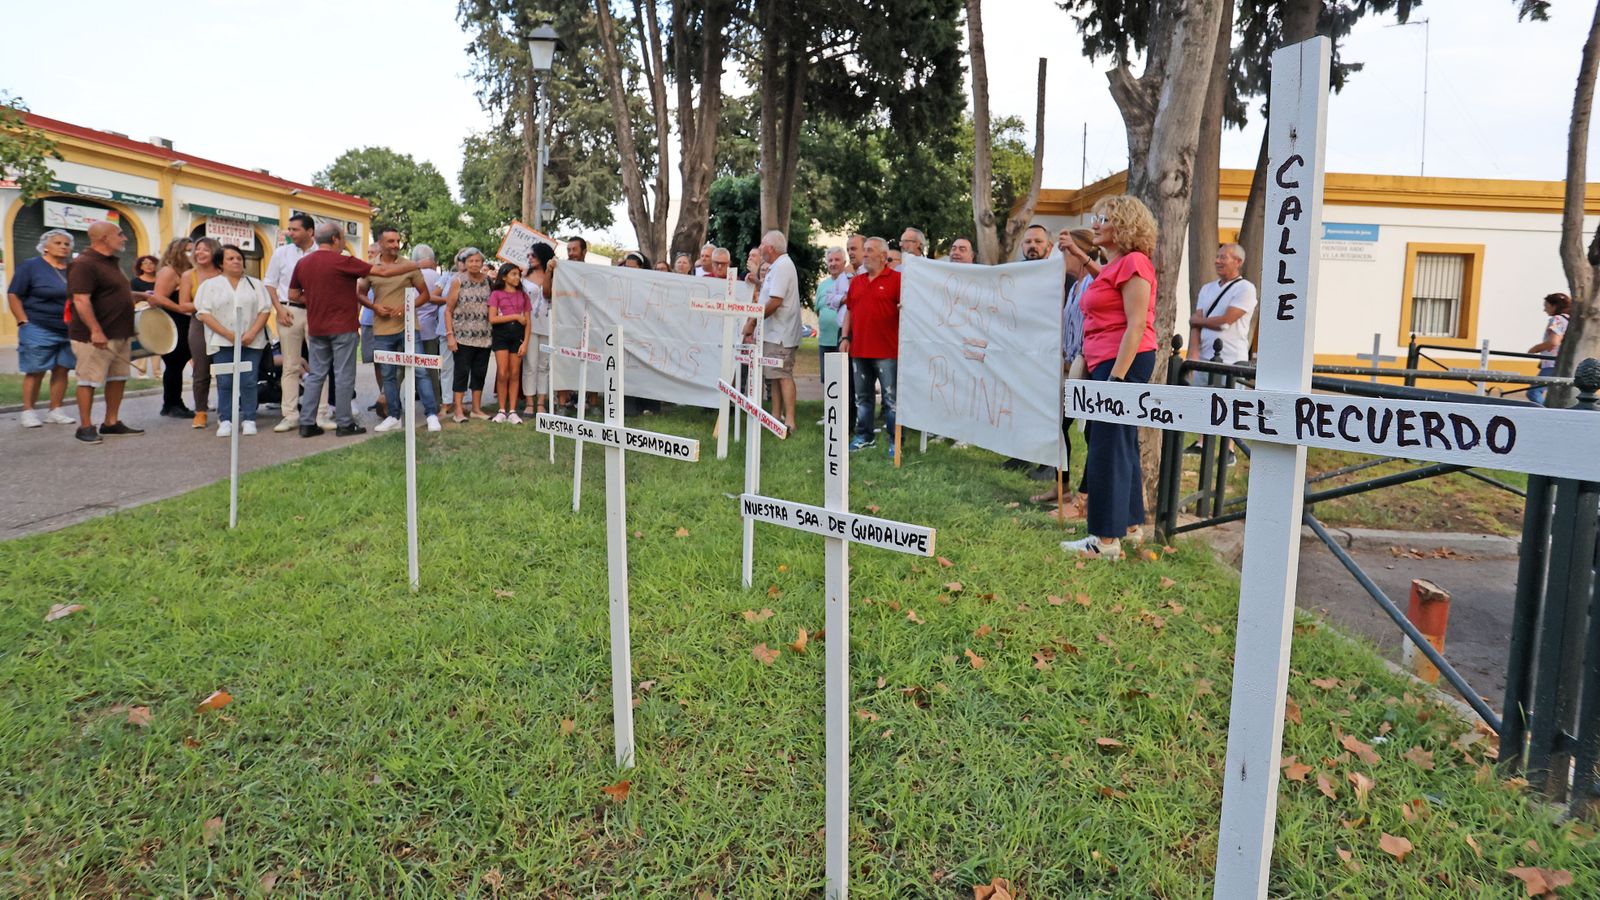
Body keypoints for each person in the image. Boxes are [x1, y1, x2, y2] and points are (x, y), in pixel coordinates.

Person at [1061, 195, 1160, 561]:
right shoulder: (1116, 265)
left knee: (1105, 446)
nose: (1095, 223)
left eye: (1104, 218)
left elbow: (1136, 326)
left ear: (1124, 226)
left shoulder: (1134, 262)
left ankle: (1103, 540)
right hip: (1110, 362)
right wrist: (1082, 255)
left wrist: (1115, 382)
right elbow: (1103, 283)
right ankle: (1131, 526)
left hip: (1122, 364)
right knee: (1121, 444)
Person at [290, 222, 420, 437]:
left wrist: (315, 300)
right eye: (342, 238)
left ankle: (306, 423)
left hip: (316, 327)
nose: (344, 242)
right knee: (343, 376)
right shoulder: (344, 261)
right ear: (334, 239)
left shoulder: (303, 263)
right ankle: (344, 423)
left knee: (315, 375)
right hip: (343, 327)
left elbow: (293, 295)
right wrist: (417, 264)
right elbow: (383, 271)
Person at [1035, 228, 1104, 515]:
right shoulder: (1075, 286)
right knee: (1058, 426)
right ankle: (1061, 486)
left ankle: (1085, 499)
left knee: (1090, 433)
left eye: (1065, 252)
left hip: (1087, 364)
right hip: (1068, 363)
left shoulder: (1092, 281)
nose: (1061, 258)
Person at [65, 221, 145, 443]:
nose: (124, 238)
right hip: (95, 336)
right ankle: (85, 426)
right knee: (88, 379)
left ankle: (111, 422)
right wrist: (95, 330)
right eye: (119, 234)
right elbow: (81, 300)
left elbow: (116, 294)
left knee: (118, 377)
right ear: (103, 238)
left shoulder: (110, 263)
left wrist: (145, 297)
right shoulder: (84, 264)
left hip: (119, 332)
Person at [363, 226, 441, 434]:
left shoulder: (408, 265)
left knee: (421, 371)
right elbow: (359, 293)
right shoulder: (370, 266)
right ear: (380, 244)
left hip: (409, 327)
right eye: (391, 241)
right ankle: (393, 416)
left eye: (398, 241)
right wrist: (374, 307)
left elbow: (425, 294)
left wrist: (408, 307)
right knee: (388, 374)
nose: (396, 245)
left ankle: (432, 414)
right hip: (382, 329)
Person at [1186, 242, 1257, 462]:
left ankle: (1229, 449)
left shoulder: (1245, 288)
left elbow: (1227, 320)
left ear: (1238, 261)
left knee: (1230, 402)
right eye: (1217, 256)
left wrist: (1200, 320)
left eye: (1223, 257)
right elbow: (1195, 324)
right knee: (1203, 399)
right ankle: (1201, 442)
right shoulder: (1207, 288)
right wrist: (1193, 353)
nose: (1217, 261)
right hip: (1206, 355)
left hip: (1231, 357)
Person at [264, 213, 335, 432]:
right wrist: (279, 309)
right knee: (290, 365)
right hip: (289, 312)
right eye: (289, 229)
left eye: (295, 229)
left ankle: (321, 414)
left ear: (310, 232)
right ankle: (290, 415)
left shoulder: (324, 254)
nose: (290, 233)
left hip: (316, 312)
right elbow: (270, 284)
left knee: (319, 365)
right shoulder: (281, 253)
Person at [193, 245, 272, 437]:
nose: (236, 261)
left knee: (249, 380)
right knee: (225, 380)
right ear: (221, 263)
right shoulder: (210, 285)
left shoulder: (255, 284)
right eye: (230, 258)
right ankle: (226, 418)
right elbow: (204, 313)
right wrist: (228, 334)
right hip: (222, 340)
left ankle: (249, 418)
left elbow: (264, 310)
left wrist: (252, 332)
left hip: (252, 340)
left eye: (239, 258)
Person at [7, 229, 78, 428]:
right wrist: (22, 320)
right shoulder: (30, 266)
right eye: (58, 243)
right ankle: (28, 411)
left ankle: (55, 410)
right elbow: (14, 294)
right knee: (36, 370)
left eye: (66, 243)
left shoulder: (73, 269)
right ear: (45, 246)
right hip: (38, 325)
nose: (64, 246)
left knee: (62, 369)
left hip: (67, 328)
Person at [842, 236, 900, 456]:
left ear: (883, 256)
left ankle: (896, 441)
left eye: (870, 250)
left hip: (888, 351)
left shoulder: (897, 280)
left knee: (891, 399)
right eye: (864, 250)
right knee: (862, 398)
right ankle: (864, 437)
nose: (864, 254)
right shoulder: (856, 282)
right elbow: (849, 311)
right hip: (860, 350)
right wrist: (845, 337)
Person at [742, 230, 801, 432]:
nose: (760, 248)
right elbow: (770, 293)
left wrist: (753, 322)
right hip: (774, 333)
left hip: (781, 333)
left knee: (783, 374)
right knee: (774, 375)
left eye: (762, 245)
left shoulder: (783, 266)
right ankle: (776, 416)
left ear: (771, 248)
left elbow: (775, 301)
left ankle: (790, 421)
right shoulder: (778, 266)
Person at [177, 237, 224, 429]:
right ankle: (201, 411)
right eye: (197, 250)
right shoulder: (189, 275)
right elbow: (183, 305)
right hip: (199, 323)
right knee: (201, 370)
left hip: (224, 324)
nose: (200, 253)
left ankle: (225, 411)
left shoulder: (224, 272)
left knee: (224, 369)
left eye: (205, 250)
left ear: (214, 252)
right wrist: (205, 306)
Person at [443, 247, 494, 422]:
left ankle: (476, 409)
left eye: (477, 261)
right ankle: (458, 410)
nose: (474, 264)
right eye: (470, 261)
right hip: (462, 336)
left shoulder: (488, 281)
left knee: (480, 373)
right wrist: (450, 335)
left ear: (482, 263)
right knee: (461, 373)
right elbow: (448, 310)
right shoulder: (458, 281)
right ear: (464, 263)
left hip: (484, 336)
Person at [487, 262, 531, 423]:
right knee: (502, 372)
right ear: (504, 277)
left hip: (517, 337)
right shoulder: (496, 294)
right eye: (513, 274)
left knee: (514, 373)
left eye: (518, 274)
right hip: (501, 336)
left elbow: (528, 322)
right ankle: (501, 410)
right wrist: (514, 317)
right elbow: (492, 319)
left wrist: (525, 342)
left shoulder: (523, 296)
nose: (517, 277)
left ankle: (512, 410)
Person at [520, 243, 556, 417]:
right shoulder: (523, 276)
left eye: (533, 255)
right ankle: (529, 402)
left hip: (549, 325)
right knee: (530, 364)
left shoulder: (556, 275)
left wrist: (549, 271)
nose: (529, 258)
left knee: (544, 365)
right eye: (528, 256)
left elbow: (549, 294)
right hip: (530, 326)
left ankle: (541, 402)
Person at [411, 244, 447, 403]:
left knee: (405, 366)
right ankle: (435, 401)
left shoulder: (411, 275)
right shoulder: (439, 278)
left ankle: (391, 402)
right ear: (431, 260)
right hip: (431, 329)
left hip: (410, 327)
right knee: (431, 367)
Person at [1528, 292, 1572, 405]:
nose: (1544, 309)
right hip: (1564, 362)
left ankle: (1548, 414)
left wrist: (1534, 349)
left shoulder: (1557, 319)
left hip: (1552, 363)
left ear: (1554, 306)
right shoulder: (1570, 320)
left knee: (1534, 392)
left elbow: (1553, 342)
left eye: (1546, 306)